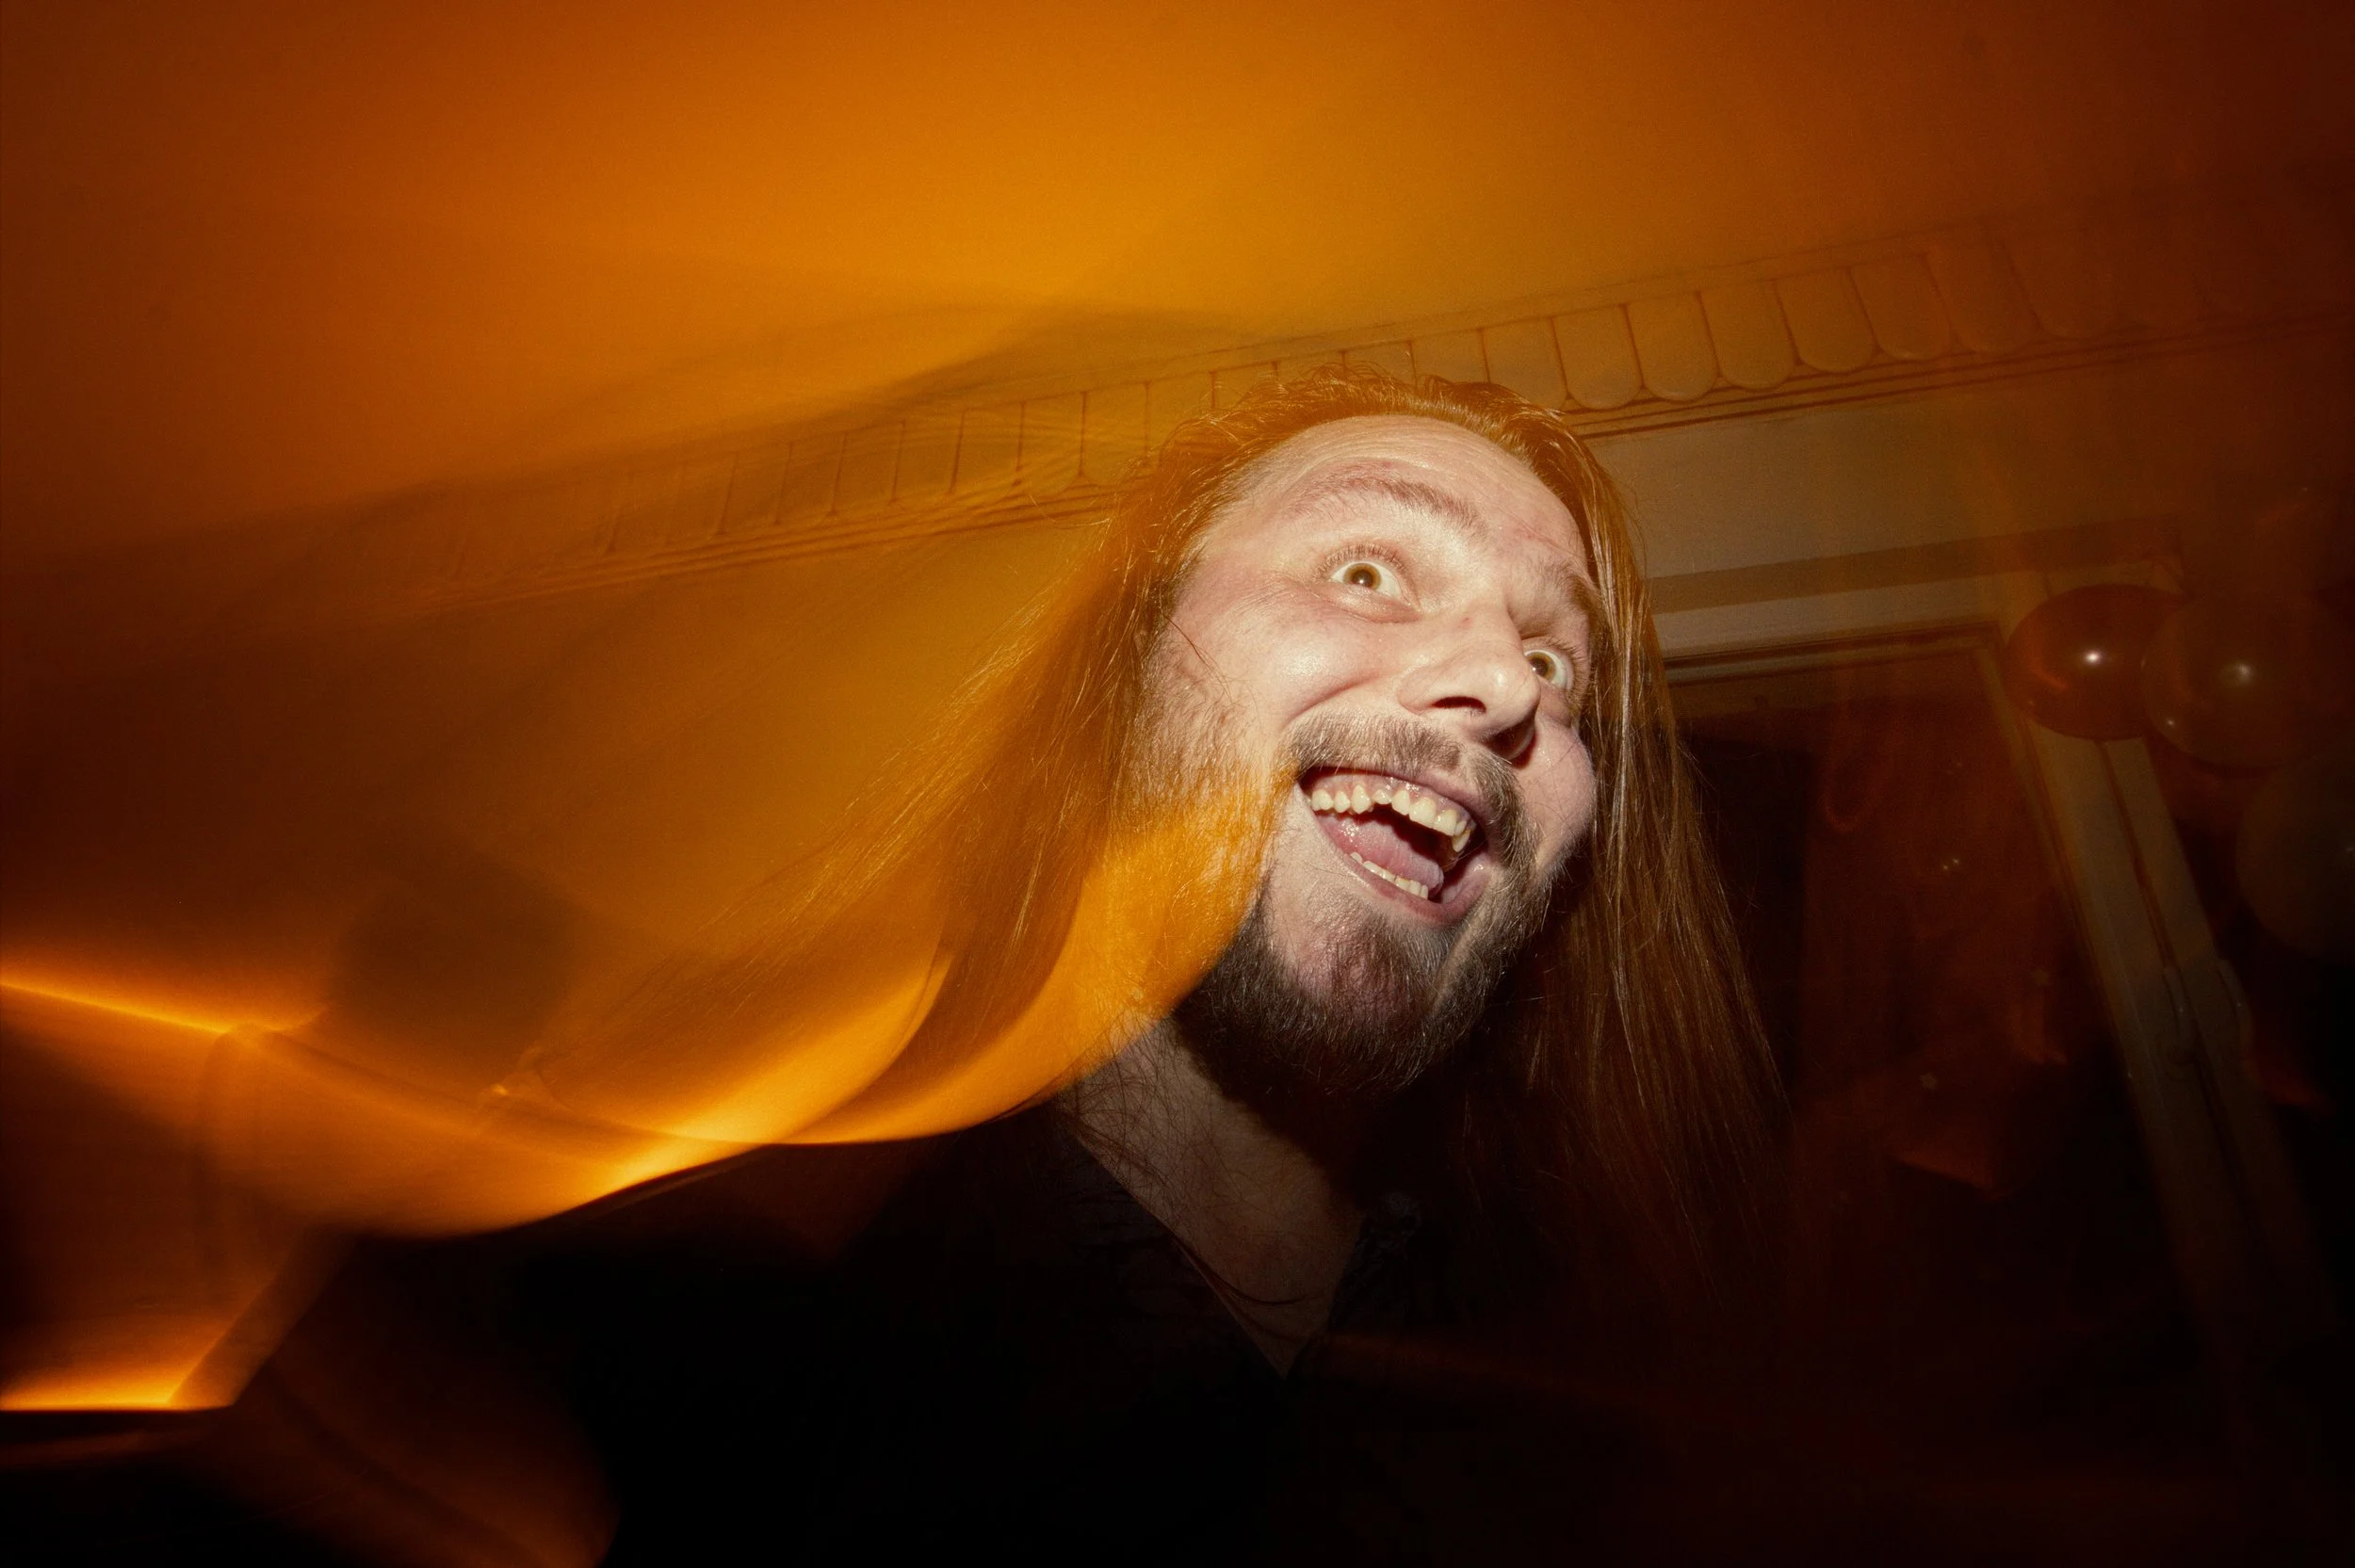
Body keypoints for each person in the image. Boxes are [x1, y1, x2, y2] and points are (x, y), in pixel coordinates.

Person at [124, 366, 1781, 1565]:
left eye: (1559, 661)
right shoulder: (654, 1304)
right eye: (1368, 569)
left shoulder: (1600, 1384)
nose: (1503, 681)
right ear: (1112, 687)